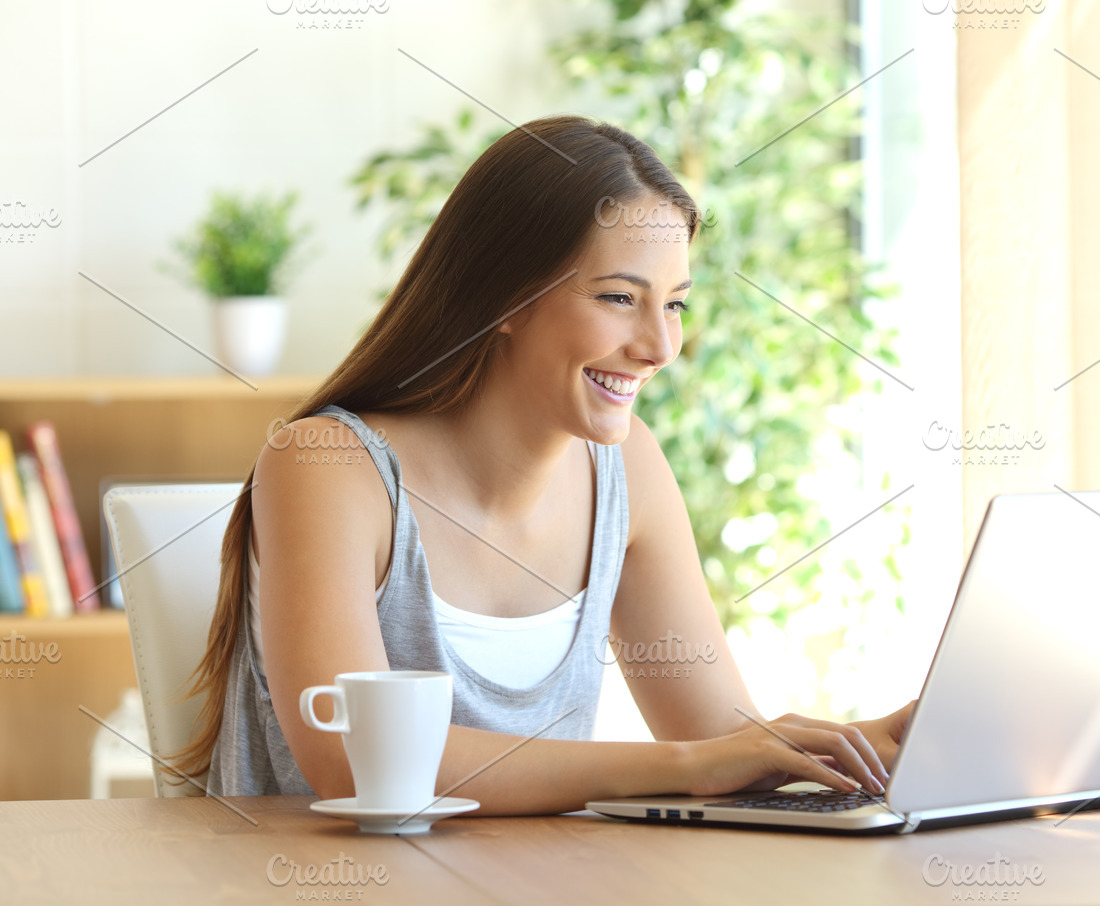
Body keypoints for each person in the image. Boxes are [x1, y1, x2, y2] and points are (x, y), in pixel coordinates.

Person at [183, 115, 915, 814]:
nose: (659, 347)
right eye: (620, 298)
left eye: (677, 306)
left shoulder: (628, 470)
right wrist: (690, 768)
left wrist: (866, 748)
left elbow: (719, 740)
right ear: (508, 296)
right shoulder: (329, 465)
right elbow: (356, 761)